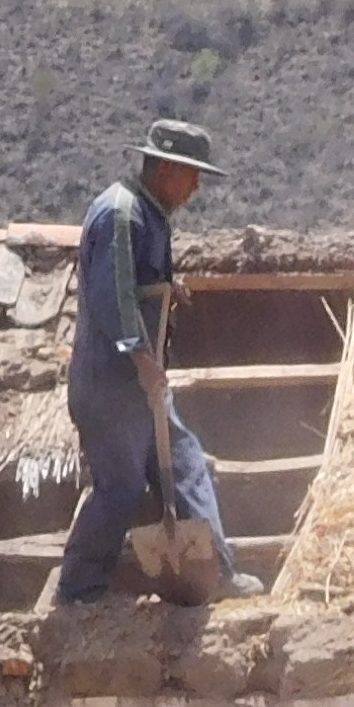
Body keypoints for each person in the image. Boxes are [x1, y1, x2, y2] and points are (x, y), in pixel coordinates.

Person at [57, 118, 244, 603]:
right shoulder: (120, 215)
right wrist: (141, 357)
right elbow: (113, 301)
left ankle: (217, 573)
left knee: (185, 466)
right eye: (191, 173)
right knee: (119, 487)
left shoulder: (148, 213)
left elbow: (136, 291)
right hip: (111, 386)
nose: (197, 185)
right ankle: (79, 588)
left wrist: (165, 294)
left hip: (141, 388)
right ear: (164, 169)